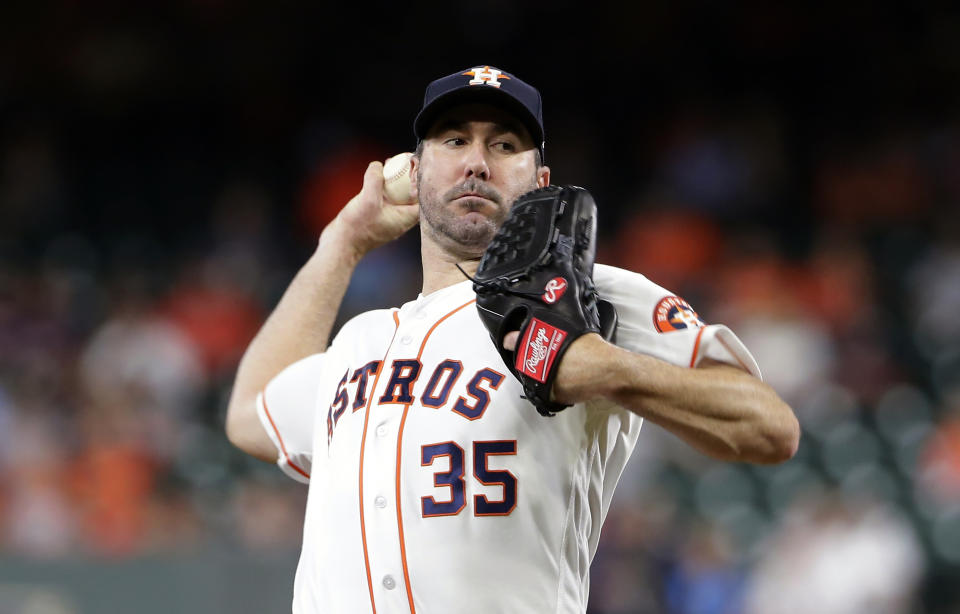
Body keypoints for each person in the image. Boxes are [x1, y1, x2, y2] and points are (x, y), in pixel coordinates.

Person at [224, 65, 800, 613]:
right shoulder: (361, 340)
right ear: (415, 171)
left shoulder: (586, 295)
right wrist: (342, 244)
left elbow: (769, 427)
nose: (476, 162)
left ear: (540, 181)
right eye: (453, 140)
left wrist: (606, 368)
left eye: (504, 145)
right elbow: (249, 414)